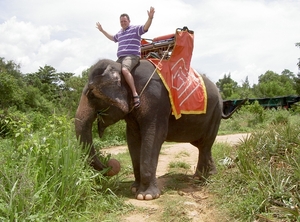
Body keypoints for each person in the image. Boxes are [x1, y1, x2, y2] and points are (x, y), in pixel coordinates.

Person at [96, 7, 155, 108]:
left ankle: (135, 94)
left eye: (124, 21)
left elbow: (145, 28)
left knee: (124, 70)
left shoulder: (135, 29)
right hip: (120, 58)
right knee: (109, 72)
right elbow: (112, 37)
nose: (123, 23)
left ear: (129, 21)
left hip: (132, 56)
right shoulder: (120, 33)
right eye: (121, 21)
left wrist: (150, 18)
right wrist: (102, 30)